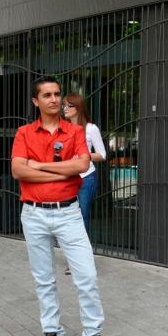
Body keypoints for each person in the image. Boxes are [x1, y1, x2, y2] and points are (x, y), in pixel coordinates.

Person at [10, 76, 115, 336]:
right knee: (44, 279)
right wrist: (60, 170)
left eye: (57, 94)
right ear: (36, 101)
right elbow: (18, 171)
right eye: (47, 95)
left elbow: (82, 165)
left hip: (69, 213)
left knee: (87, 276)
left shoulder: (76, 131)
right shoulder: (24, 133)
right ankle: (53, 334)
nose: (54, 99)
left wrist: (40, 165)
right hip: (33, 214)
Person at [62, 93, 106, 275]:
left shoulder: (90, 128)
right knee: (68, 219)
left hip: (86, 178)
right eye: (63, 105)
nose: (64, 108)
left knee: (81, 218)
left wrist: (83, 155)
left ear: (77, 108)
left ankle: (80, 261)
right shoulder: (62, 128)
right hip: (67, 178)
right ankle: (73, 258)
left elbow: (102, 155)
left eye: (68, 106)